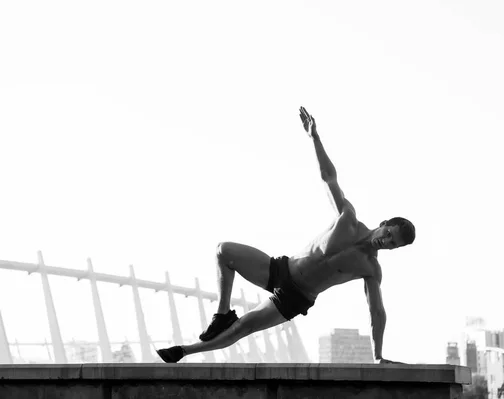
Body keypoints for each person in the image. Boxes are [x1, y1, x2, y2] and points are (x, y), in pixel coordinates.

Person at [156, 106, 415, 364]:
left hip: (296, 297)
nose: (387, 241)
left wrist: (378, 355)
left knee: (244, 327)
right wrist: (315, 138)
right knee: (224, 251)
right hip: (282, 269)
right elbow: (329, 178)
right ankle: (222, 313)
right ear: (383, 224)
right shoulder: (348, 219)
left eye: (393, 244)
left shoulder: (370, 268)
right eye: (389, 233)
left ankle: (184, 351)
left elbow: (377, 312)